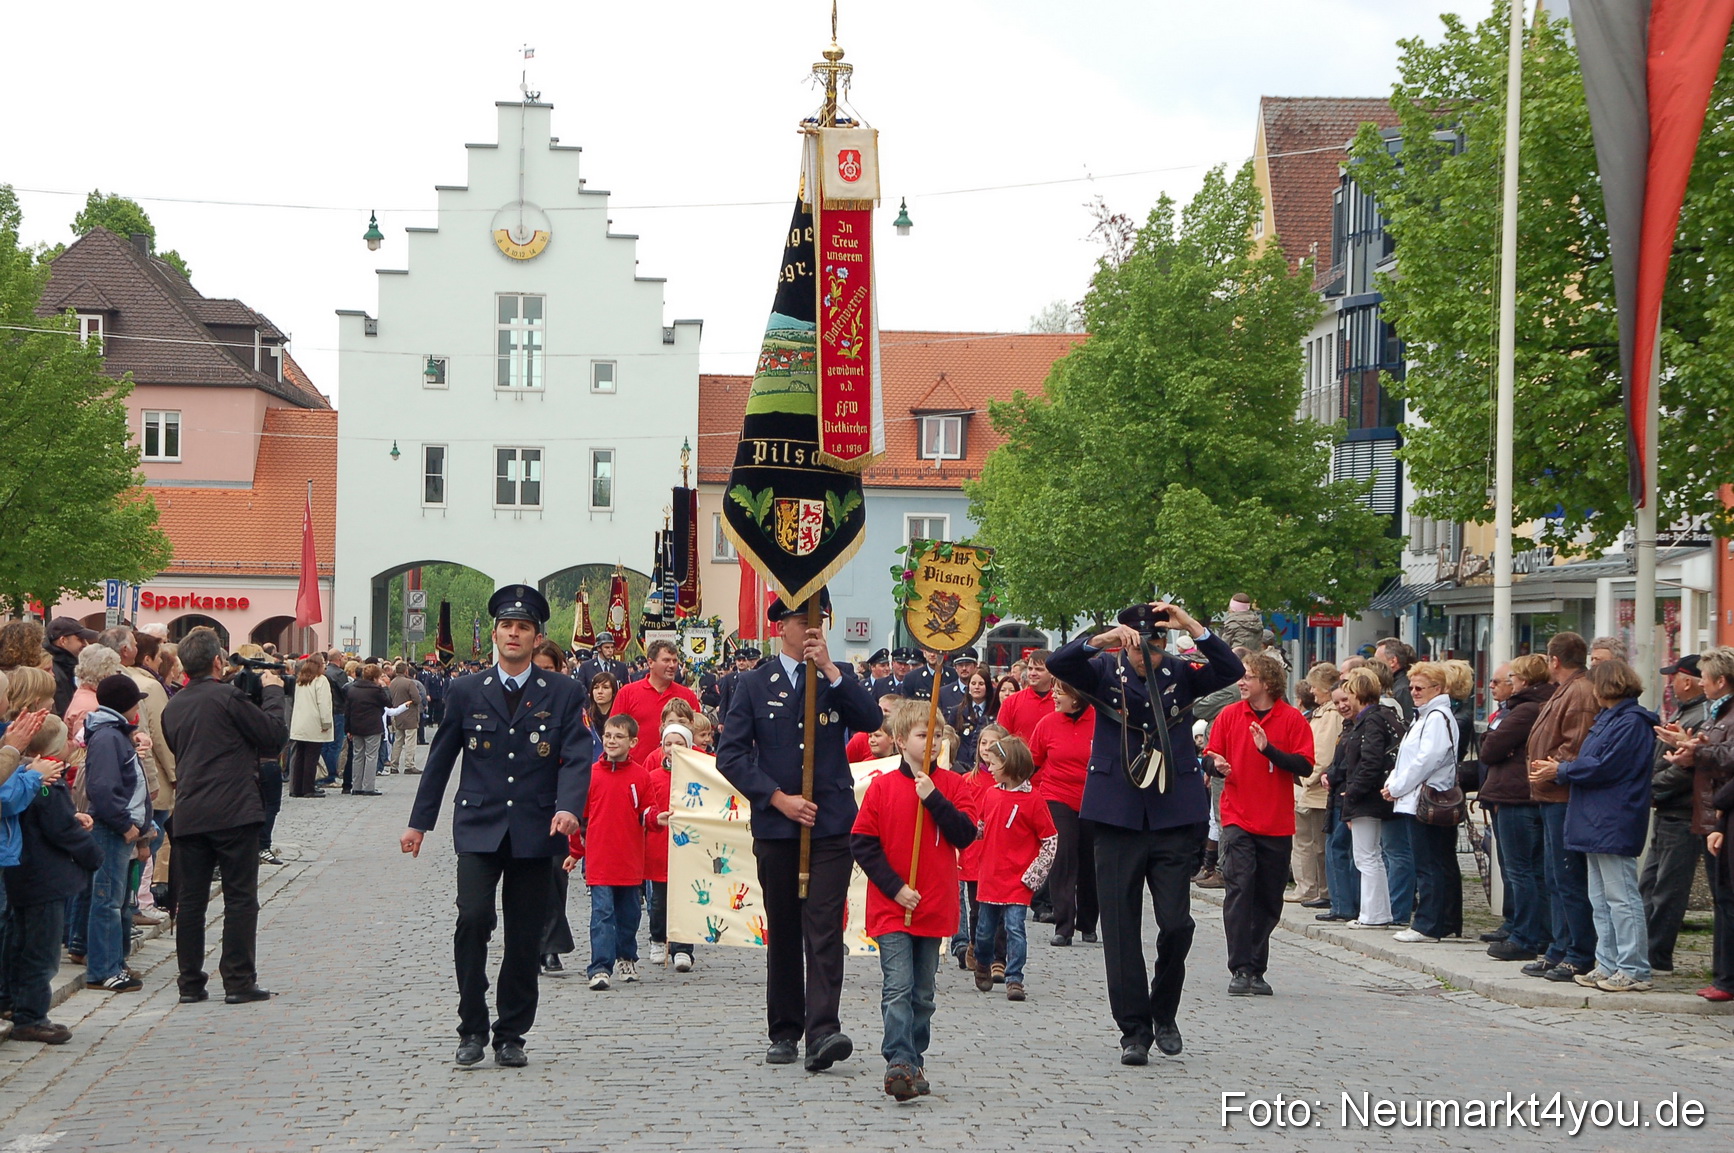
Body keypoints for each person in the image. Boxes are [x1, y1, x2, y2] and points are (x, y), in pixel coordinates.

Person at [401, 585, 591, 1068]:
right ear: (495, 634)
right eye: (507, 626)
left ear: (536, 637)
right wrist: (419, 823)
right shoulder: (468, 690)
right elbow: (441, 759)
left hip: (536, 827)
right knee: (472, 919)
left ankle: (511, 1034)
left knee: (524, 936)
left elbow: (576, 756)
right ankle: (472, 1026)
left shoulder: (563, 692)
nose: (513, 634)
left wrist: (570, 807)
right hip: (479, 824)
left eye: (523, 627)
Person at [1045, 602, 1243, 1065]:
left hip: (1171, 813)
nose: (1146, 657)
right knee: (1120, 929)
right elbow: (1059, 663)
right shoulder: (1102, 671)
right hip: (1117, 815)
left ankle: (1164, 1010)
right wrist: (1102, 639)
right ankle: (1133, 1030)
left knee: (1177, 924)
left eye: (1154, 647)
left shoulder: (1182, 672)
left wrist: (1191, 625)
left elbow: (1230, 669)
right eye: (1138, 647)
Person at [715, 587, 879, 1072]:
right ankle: (785, 1030)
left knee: (824, 927)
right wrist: (776, 798)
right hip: (778, 827)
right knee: (784, 928)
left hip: (830, 824)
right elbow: (731, 755)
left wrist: (830, 669)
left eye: (818, 620)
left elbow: (871, 720)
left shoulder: (837, 676)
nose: (811, 628)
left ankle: (823, 1030)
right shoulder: (754, 683)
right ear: (780, 626)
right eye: (802, 619)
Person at [850, 698, 978, 1101]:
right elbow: (863, 843)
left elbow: (965, 833)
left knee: (923, 993)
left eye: (937, 734)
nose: (933, 741)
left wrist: (933, 798)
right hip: (893, 905)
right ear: (902, 741)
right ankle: (899, 1060)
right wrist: (895, 888)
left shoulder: (953, 785)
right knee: (898, 987)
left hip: (934, 904)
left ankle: (915, 1058)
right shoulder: (882, 787)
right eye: (924, 735)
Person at [161, 628, 287, 1004]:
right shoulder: (228, 698)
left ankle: (189, 983)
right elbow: (272, 735)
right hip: (233, 810)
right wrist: (273, 692)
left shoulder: (174, 705)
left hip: (191, 810)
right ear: (218, 661)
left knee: (192, 901)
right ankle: (238, 980)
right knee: (240, 898)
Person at [1531, 659, 1657, 992]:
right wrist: (1564, 768)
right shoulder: (1607, 719)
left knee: (1621, 896)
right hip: (1594, 816)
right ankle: (1608, 962)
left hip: (1614, 817)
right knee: (1600, 897)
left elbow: (1604, 766)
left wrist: (1560, 770)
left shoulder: (1632, 722)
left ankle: (1633, 967)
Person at [1203, 653, 1314, 995]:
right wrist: (1215, 765)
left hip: (1276, 822)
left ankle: (1257, 968)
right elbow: (1209, 756)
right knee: (1239, 890)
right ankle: (1240, 968)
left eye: (1248, 677)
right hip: (1237, 816)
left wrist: (1269, 751)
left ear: (1266, 682)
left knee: (1268, 899)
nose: (1241, 682)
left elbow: (1305, 765)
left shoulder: (1291, 719)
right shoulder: (1229, 714)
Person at [4, 719, 95, 1045]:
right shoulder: (45, 782)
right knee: (40, 953)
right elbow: (60, 829)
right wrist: (92, 855)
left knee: (20, 944)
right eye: (68, 739)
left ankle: (15, 1005)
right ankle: (31, 1016)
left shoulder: (23, 775)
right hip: (43, 879)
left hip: (24, 876)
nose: (73, 743)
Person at [1654, 646, 1734, 1001]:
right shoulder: (1716, 713)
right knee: (1722, 899)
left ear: (1721, 680)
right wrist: (1686, 744)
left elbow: (1727, 757)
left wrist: (1696, 751)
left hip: (1720, 812)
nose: (1702, 683)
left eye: (1706, 677)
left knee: (1725, 899)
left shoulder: (1727, 714)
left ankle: (1727, 978)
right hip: (1710, 813)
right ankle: (1723, 975)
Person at [1523, 632, 1601, 983]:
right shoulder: (1566, 689)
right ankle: (1559, 947)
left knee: (1568, 878)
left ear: (1554, 660)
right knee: (1556, 877)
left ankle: (1577, 952)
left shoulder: (1580, 691)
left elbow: (1575, 743)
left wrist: (1551, 769)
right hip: (1551, 794)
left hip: (1562, 795)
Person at [1477, 654, 1556, 962]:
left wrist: (1494, 739)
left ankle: (1525, 935)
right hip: (1523, 793)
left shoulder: (1526, 709)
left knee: (1521, 869)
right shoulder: (1540, 704)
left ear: (1523, 679)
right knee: (1532, 870)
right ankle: (1535, 931)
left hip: (1516, 795)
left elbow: (1490, 748)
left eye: (1511, 678)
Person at [1382, 660, 1467, 944]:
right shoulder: (1425, 717)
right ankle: (1443, 920)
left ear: (1437, 688)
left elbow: (1427, 760)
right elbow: (1407, 757)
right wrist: (1394, 783)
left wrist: (1398, 786)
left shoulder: (1437, 717)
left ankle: (1429, 924)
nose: (1414, 692)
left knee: (1429, 863)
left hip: (1427, 798)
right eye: (1412, 687)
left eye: (1420, 688)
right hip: (1415, 796)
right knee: (1434, 861)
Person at [80, 674, 155, 994]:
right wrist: (125, 824)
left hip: (121, 829)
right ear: (126, 704)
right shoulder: (108, 737)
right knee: (107, 902)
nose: (138, 707)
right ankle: (103, 970)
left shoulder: (116, 734)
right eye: (135, 702)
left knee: (116, 902)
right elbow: (102, 789)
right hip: (111, 831)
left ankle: (114, 963)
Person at [970, 733, 1056, 1003]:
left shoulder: (1034, 800)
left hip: (1018, 879)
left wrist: (1034, 875)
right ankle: (983, 961)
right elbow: (981, 827)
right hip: (990, 875)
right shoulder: (991, 794)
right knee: (984, 930)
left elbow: (1050, 839)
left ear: (1010, 766)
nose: (990, 769)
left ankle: (1014, 977)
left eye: (994, 764)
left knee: (1015, 928)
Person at [1641, 654, 1709, 975]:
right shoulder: (1687, 710)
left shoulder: (1700, 715)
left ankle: (1657, 955)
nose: (1670, 684)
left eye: (1675, 678)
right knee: (1650, 883)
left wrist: (1652, 787)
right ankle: (1644, 948)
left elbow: (1686, 769)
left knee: (1669, 887)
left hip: (1682, 811)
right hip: (1669, 807)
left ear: (1688, 681)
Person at [576, 714, 652, 990]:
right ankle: (599, 967)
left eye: (619, 737)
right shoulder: (590, 775)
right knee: (602, 913)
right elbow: (579, 819)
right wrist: (574, 851)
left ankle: (626, 956)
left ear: (633, 742)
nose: (611, 741)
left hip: (630, 860)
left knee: (629, 914)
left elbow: (648, 811)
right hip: (599, 859)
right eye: (608, 736)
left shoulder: (641, 776)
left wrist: (657, 818)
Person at [1028, 681, 1096, 947]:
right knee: (1062, 856)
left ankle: (1088, 922)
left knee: (1090, 861)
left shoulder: (1100, 721)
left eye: (1059, 693)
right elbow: (1032, 762)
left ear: (1076, 697)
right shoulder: (1047, 724)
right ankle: (1064, 924)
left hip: (1093, 799)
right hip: (1056, 795)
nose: (1053, 697)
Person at [644, 720, 699, 973]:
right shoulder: (653, 777)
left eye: (679, 743)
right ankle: (658, 939)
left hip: (689, 849)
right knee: (659, 902)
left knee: (686, 901)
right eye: (668, 744)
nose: (673, 748)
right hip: (660, 848)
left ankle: (683, 947)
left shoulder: (698, 777)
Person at [1291, 663, 1342, 906]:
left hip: (1317, 789)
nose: (1311, 691)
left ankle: (1324, 890)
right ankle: (1315, 888)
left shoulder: (1330, 715)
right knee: (1312, 843)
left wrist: (1305, 778)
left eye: (1314, 686)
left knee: (1318, 845)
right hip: (1312, 788)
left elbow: (1322, 753)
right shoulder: (1323, 712)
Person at [609, 640, 700, 765]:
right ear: (650, 662)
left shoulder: (687, 696)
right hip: (635, 770)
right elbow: (614, 733)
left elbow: (697, 735)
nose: (672, 665)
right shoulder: (627, 693)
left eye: (675, 661)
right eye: (666, 660)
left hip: (677, 770)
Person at [288, 654, 334, 798]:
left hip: (300, 722)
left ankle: (297, 788)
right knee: (311, 757)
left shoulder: (300, 680)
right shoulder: (321, 680)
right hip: (314, 723)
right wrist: (326, 722)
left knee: (300, 756)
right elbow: (324, 704)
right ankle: (308, 788)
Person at [996, 649, 1054, 743]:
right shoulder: (1011, 702)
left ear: (1051, 673)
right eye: (1030, 669)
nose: (1032, 673)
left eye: (1039, 669)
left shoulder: (1062, 703)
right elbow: (1001, 740)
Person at [46, 617, 98, 717]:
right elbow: (63, 712)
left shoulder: (65, 666)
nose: (85, 644)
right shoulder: (55, 671)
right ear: (63, 641)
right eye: (80, 639)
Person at [950, 671, 999, 769]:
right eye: (973, 683)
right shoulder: (957, 712)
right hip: (962, 766)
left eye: (981, 684)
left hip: (987, 766)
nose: (977, 687)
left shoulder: (995, 712)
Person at [386, 662, 426, 776]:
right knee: (410, 740)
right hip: (410, 714)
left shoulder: (392, 683)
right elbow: (416, 699)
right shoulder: (409, 683)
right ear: (406, 671)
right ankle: (409, 765)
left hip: (397, 714)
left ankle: (394, 765)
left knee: (398, 740)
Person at [897, 648, 964, 713]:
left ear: (944, 653)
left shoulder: (954, 675)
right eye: (929, 650)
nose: (932, 654)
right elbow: (906, 709)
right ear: (924, 653)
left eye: (936, 651)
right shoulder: (912, 677)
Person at [1374, 637, 1417, 724]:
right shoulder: (1395, 685)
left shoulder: (1403, 689)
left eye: (1377, 661)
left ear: (1393, 661)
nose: (1374, 666)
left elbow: (1407, 723)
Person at [575, 632, 630, 699]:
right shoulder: (586, 667)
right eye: (607, 647)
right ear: (599, 648)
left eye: (612, 647)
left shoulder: (621, 667)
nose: (610, 650)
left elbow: (627, 689)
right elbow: (581, 689)